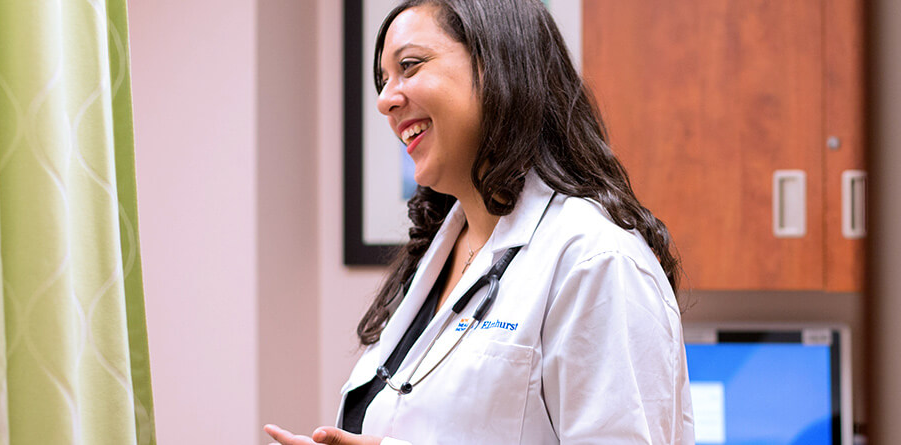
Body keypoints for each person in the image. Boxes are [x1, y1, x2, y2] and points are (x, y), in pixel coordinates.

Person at [265, 0, 694, 443]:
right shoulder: (444, 253)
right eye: (383, 80)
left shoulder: (597, 262)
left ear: (496, 65)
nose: (384, 100)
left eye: (409, 66)